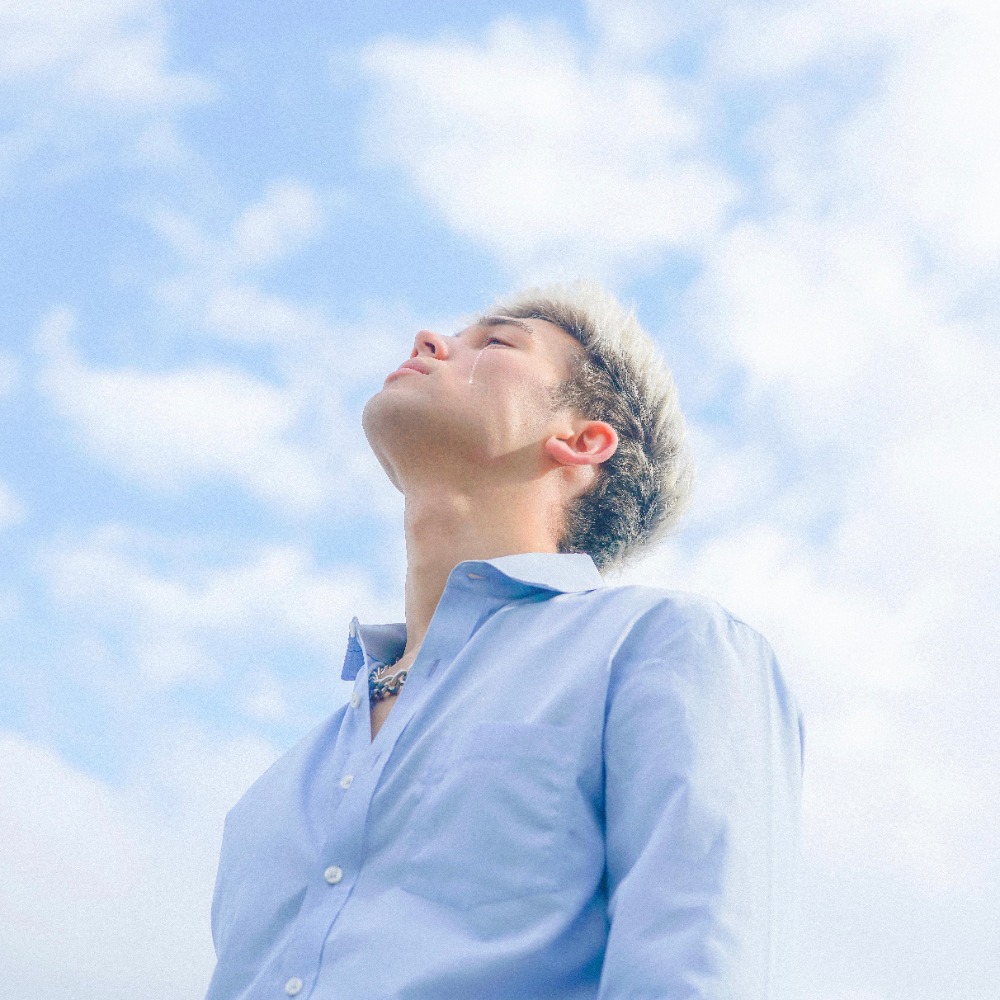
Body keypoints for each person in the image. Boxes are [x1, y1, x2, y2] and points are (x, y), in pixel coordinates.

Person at [205, 282, 804, 1000]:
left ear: (583, 441)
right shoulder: (271, 794)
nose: (428, 339)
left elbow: (698, 968)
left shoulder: (663, 648)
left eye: (495, 341)